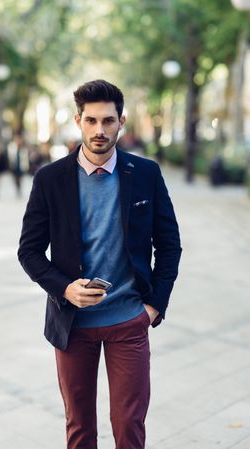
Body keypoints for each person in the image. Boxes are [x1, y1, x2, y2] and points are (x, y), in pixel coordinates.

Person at [18, 79, 182, 449]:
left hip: (128, 319)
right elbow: (28, 251)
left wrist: (154, 305)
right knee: (79, 426)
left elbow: (169, 245)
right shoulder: (50, 179)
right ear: (78, 121)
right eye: (91, 121)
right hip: (72, 324)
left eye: (108, 121)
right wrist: (64, 287)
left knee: (129, 425)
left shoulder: (146, 174)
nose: (99, 130)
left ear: (121, 121)